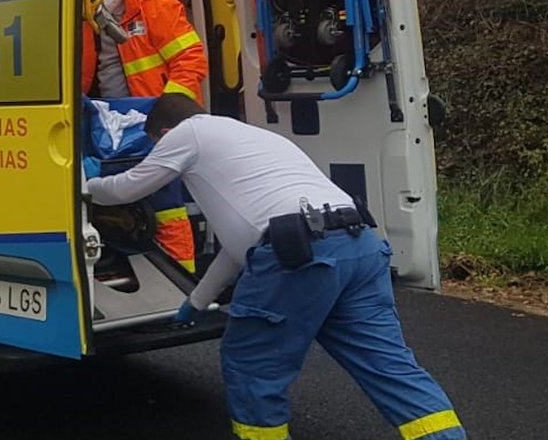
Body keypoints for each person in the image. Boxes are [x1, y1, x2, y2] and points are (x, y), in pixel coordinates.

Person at [84, 94, 466, 440]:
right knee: (388, 366)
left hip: (299, 253)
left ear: (164, 133)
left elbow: (127, 190)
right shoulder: (252, 137)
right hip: (359, 244)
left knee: (252, 365)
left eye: (157, 146)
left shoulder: (188, 134)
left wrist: (86, 183)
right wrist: (196, 302)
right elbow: (239, 248)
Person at [82, 0, 207, 272]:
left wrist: (164, 111)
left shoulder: (154, 5)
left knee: (167, 209)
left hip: (158, 126)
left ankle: (182, 279)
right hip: (121, 126)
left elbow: (191, 60)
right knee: (133, 210)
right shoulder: (92, 16)